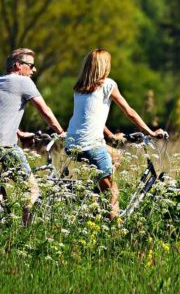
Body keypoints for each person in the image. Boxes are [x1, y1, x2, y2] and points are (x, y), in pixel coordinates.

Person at [66, 49, 166, 220]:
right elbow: (129, 112)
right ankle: (115, 232)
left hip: (71, 143)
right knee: (114, 193)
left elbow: (90, 117)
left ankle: (97, 193)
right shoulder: (108, 84)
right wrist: (150, 133)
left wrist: (110, 135)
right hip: (91, 145)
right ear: (105, 66)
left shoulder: (79, 88)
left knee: (117, 155)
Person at [0, 48, 65, 226]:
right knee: (32, 190)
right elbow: (44, 110)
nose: (34, 70)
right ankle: (24, 232)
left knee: (2, 184)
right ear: (17, 66)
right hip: (1, 145)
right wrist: (60, 132)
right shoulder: (24, 82)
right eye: (31, 66)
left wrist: (20, 133)